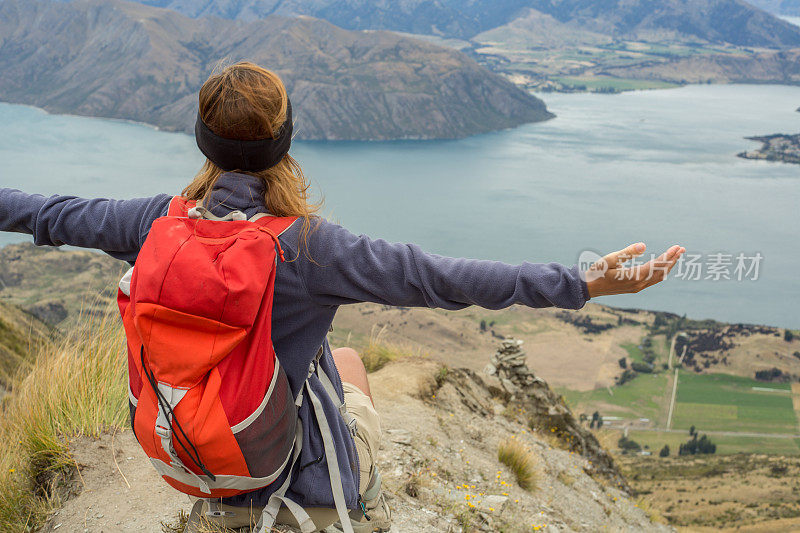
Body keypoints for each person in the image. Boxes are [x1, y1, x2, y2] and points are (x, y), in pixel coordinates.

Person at [0, 62, 685, 532]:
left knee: (322, 351)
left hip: (186, 448)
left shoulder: (157, 223)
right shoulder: (308, 248)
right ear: (284, 144)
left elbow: (50, 213)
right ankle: (346, 502)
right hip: (279, 470)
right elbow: (443, 278)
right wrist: (583, 282)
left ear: (204, 140)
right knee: (348, 362)